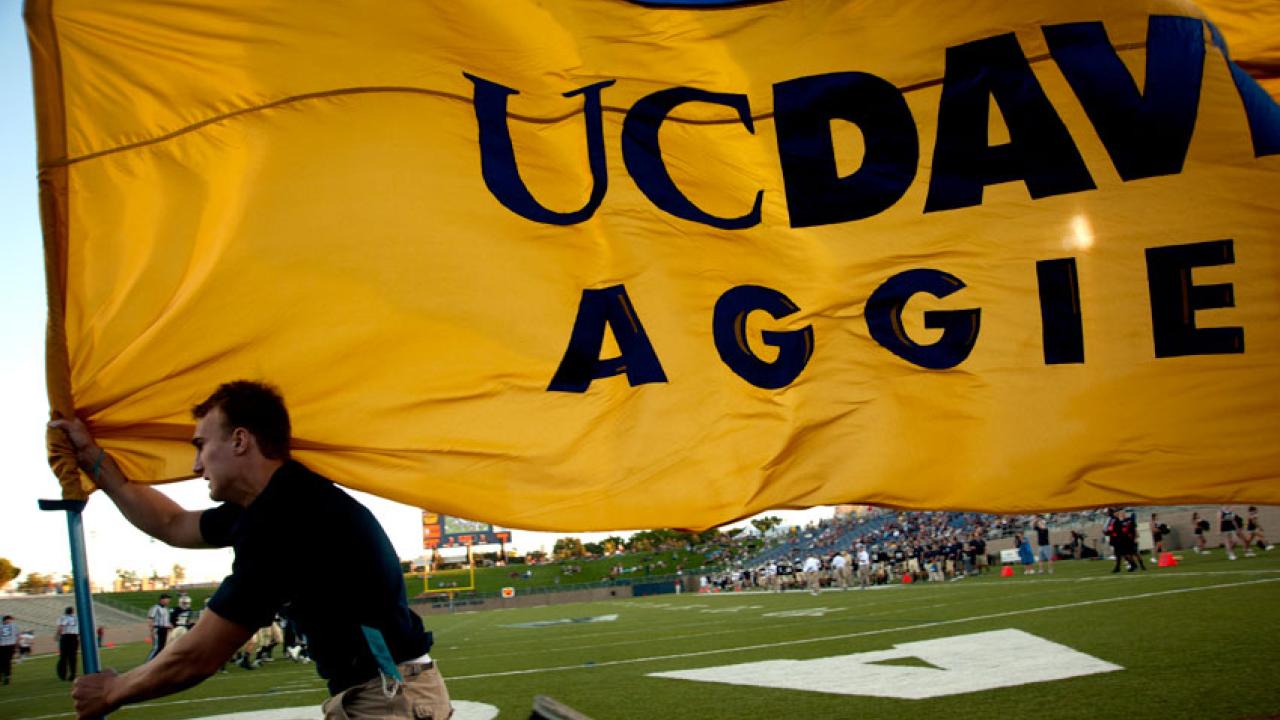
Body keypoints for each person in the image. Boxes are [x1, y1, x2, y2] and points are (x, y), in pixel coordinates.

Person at [52, 380, 451, 719]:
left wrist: (112, 691)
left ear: (240, 440)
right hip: (383, 694)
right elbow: (170, 524)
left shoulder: (286, 518)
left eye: (200, 445)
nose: (195, 465)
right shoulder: (268, 505)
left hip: (389, 701)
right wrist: (95, 462)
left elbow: (201, 654)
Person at [145, 594, 173, 662]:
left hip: (164, 629)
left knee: (162, 647)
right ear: (162, 599)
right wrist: (151, 631)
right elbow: (150, 619)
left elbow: (166, 621)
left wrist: (170, 625)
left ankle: (157, 662)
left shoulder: (166, 609)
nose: (169, 600)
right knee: (156, 647)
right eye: (167, 598)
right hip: (157, 629)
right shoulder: (155, 607)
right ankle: (147, 663)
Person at [55, 606, 79, 681]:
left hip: (65, 637)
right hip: (74, 637)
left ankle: (62, 674)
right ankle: (73, 674)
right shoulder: (76, 618)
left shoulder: (62, 617)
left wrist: (57, 635)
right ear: (72, 611)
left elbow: (60, 627)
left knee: (63, 657)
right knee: (73, 657)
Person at [0, 615, 16, 685]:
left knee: (6, 662)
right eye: (10, 620)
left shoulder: (13, 626)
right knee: (4, 662)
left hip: (9, 646)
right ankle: (6, 677)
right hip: (4, 646)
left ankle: (7, 677)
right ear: (5, 620)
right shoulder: (12, 626)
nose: (11, 621)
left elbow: (17, 636)